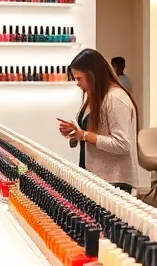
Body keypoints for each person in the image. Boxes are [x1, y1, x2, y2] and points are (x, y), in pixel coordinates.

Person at [61, 49, 144, 193]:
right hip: (94, 176)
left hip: (113, 181)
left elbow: (122, 144)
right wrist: (75, 132)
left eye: (79, 78)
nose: (77, 84)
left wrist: (85, 135)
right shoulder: (93, 96)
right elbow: (89, 130)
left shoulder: (115, 99)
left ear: (92, 75)